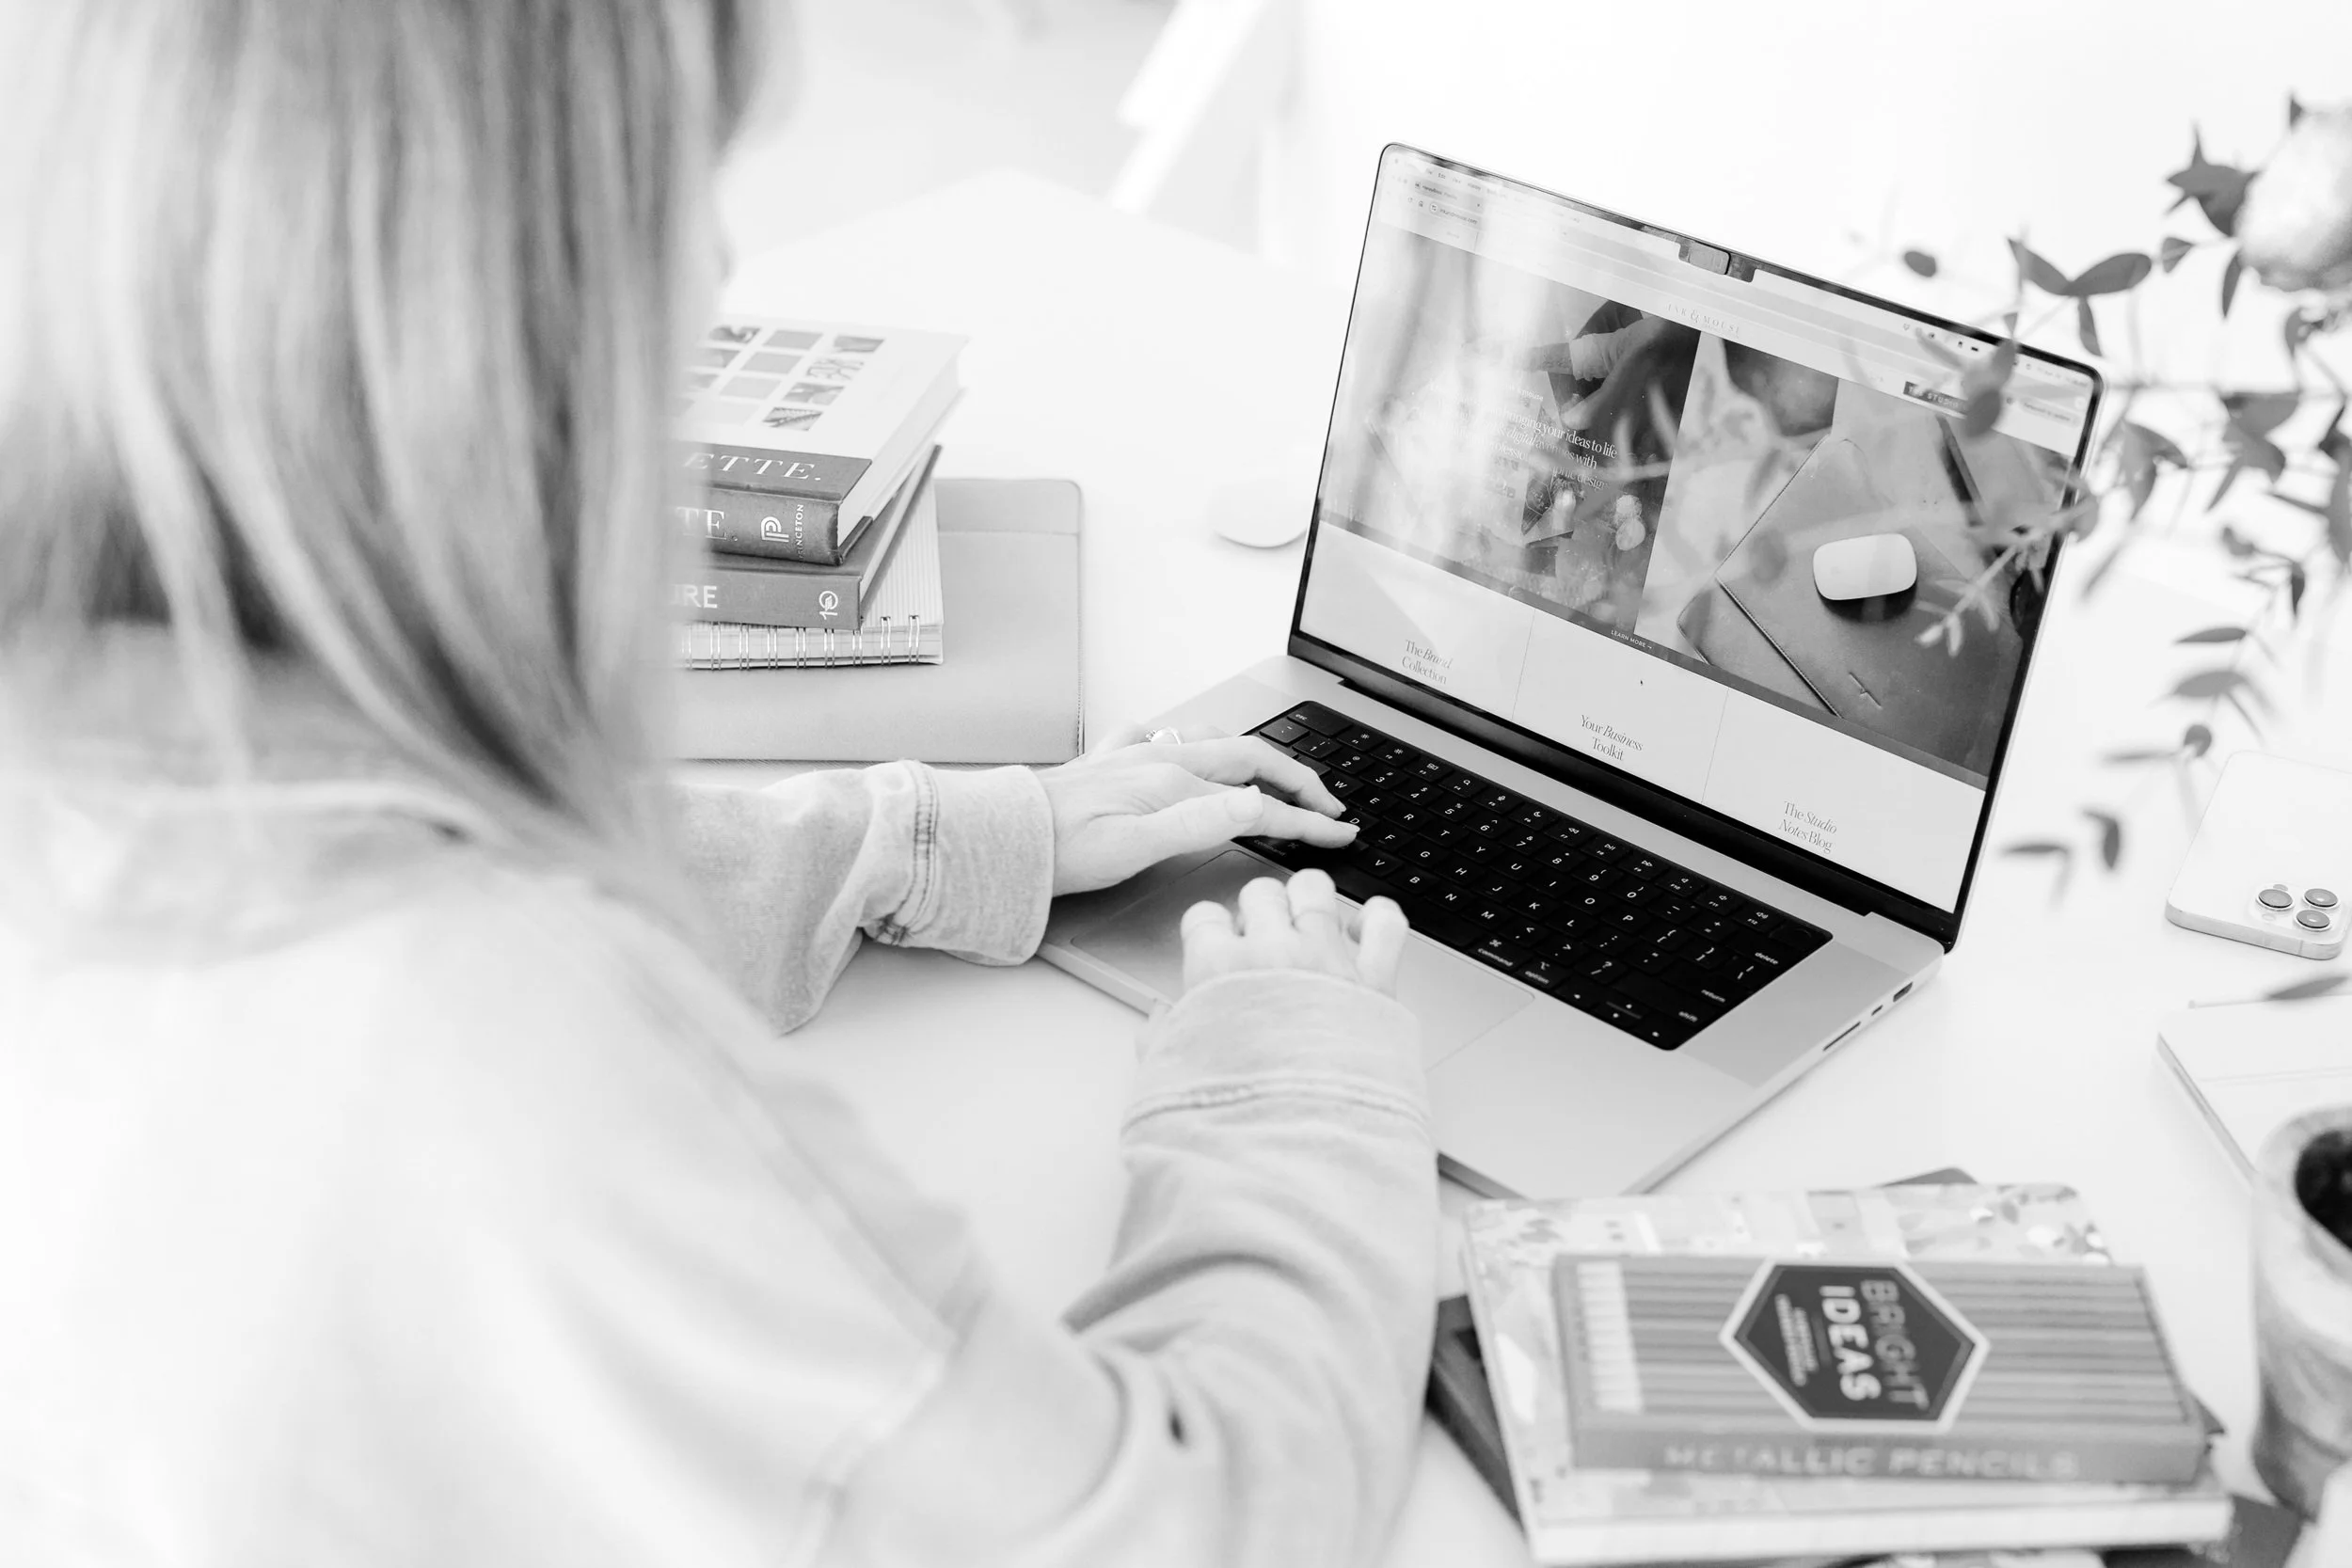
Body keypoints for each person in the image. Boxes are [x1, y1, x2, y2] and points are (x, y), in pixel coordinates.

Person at [0, 4, 1437, 1565]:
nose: (710, 279)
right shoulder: (501, 1046)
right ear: (518, 303)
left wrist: (935, 840)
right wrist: (1287, 1072)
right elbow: (1203, 1526)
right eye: (676, 192)